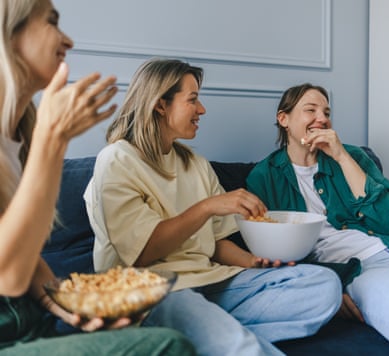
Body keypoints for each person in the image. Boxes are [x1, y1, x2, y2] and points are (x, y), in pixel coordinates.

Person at [83, 58, 343, 356]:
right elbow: (142, 252)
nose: (202, 109)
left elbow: (217, 243)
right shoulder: (117, 159)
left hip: (212, 282)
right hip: (152, 290)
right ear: (160, 105)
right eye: (192, 100)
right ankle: (213, 334)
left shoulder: (195, 164)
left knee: (323, 285)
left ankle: (201, 333)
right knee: (238, 346)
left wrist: (253, 263)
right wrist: (207, 207)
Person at [0, 1, 196, 354]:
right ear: (10, 33)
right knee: (170, 345)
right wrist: (53, 139)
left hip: (30, 322)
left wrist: (65, 305)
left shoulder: (18, 135)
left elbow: (22, 253)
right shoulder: (48, 137)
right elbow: (9, 274)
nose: (68, 40)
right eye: (52, 23)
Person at [246, 82, 389, 356]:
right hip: (363, 271)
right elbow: (268, 251)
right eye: (311, 110)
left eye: (326, 112)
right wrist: (324, 292)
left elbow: (388, 220)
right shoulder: (264, 176)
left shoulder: (352, 156)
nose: (322, 118)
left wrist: (341, 156)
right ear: (284, 119)